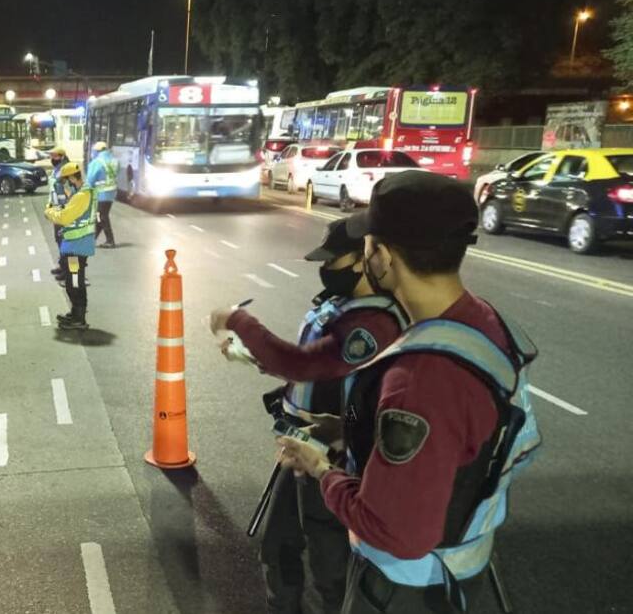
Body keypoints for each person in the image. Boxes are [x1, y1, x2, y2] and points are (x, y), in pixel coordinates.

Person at [276, 172, 541, 613]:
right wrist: (354, 431)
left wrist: (321, 468)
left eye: (367, 243)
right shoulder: (483, 323)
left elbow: (397, 533)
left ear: (380, 255)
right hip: (459, 567)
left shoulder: (422, 378)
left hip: (403, 587)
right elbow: (465, 441)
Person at [208, 218, 407, 614]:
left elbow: (303, 365)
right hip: (305, 442)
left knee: (328, 566)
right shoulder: (340, 306)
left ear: (366, 260)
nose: (327, 268)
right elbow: (308, 370)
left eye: (336, 259)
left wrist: (238, 320)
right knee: (277, 544)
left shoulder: (375, 324)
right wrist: (252, 357)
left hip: (334, 456)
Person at [43, 161, 95, 330]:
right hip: (79, 245)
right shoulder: (85, 192)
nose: (65, 184)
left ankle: (78, 318)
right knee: (74, 281)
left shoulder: (81, 196)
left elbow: (64, 218)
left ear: (73, 177)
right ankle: (75, 313)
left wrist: (49, 212)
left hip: (75, 248)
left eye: (66, 180)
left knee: (74, 282)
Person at [86, 141, 118, 248]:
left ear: (97, 151)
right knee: (99, 215)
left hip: (101, 193)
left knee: (102, 216)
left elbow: (90, 179)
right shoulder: (114, 160)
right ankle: (92, 239)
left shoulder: (96, 162)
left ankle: (110, 241)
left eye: (93, 151)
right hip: (111, 192)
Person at [46, 147, 70, 283]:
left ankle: (68, 272)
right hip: (56, 209)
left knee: (65, 241)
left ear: (61, 156)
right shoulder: (58, 169)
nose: (52, 159)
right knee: (59, 239)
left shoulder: (66, 170)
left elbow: (68, 192)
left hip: (63, 210)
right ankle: (62, 266)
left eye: (54, 156)